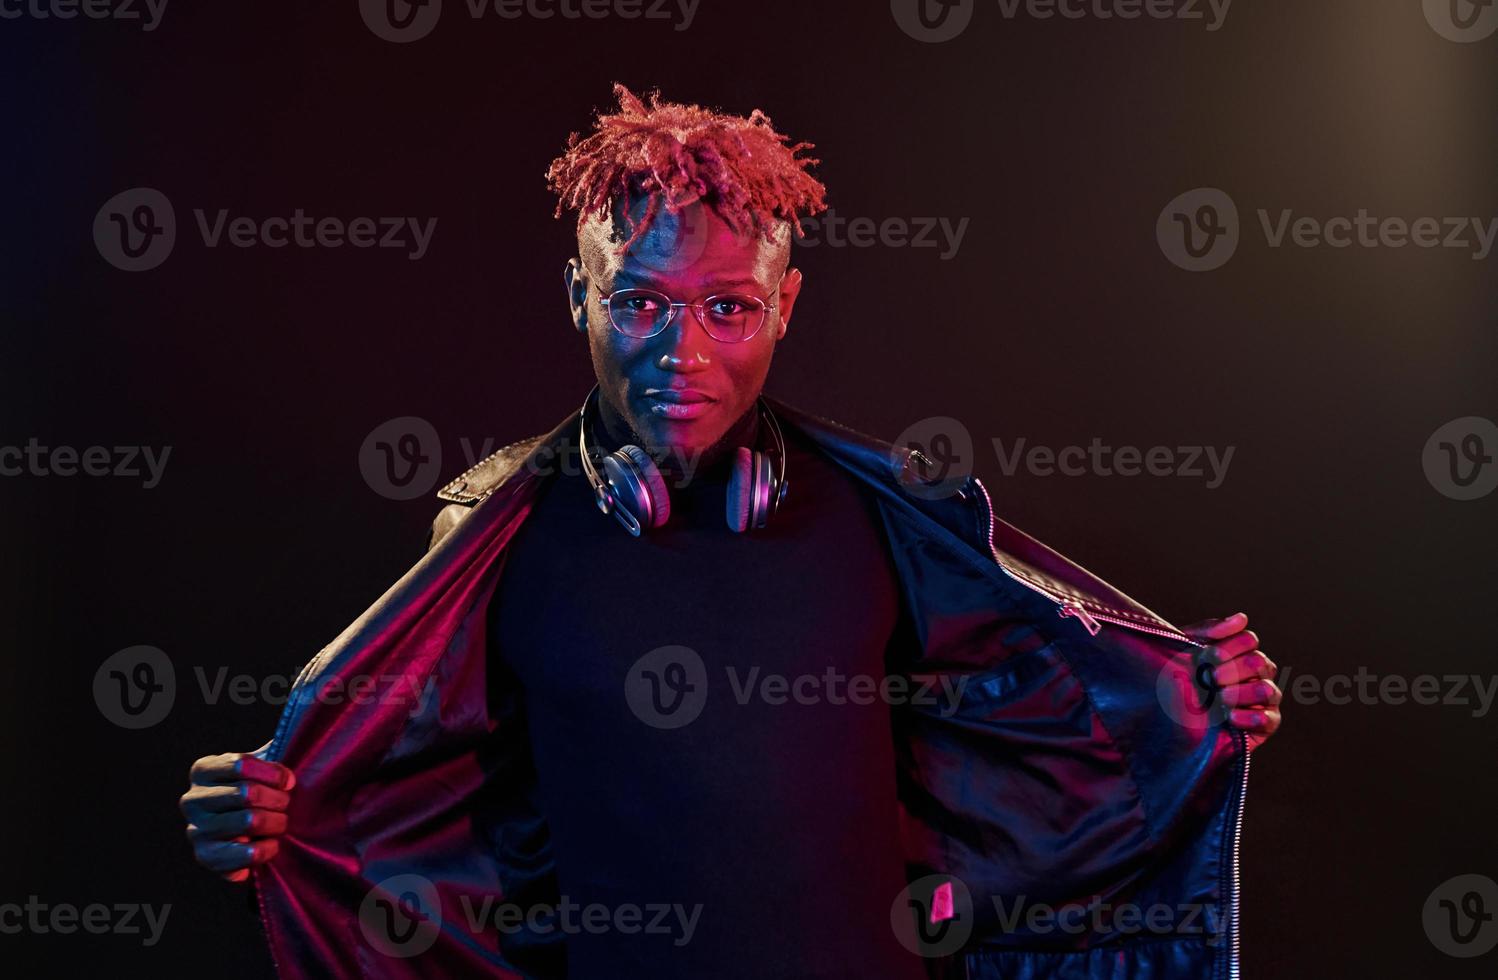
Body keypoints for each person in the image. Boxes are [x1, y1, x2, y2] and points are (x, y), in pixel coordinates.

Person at [179, 84, 1282, 979]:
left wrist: (1180, 701)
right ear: (578, 295)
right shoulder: (489, 534)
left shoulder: (886, 513)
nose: (683, 355)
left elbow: (1029, 760)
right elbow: (402, 808)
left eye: (728, 308)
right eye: (642, 303)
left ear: (786, 303)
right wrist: (276, 807)